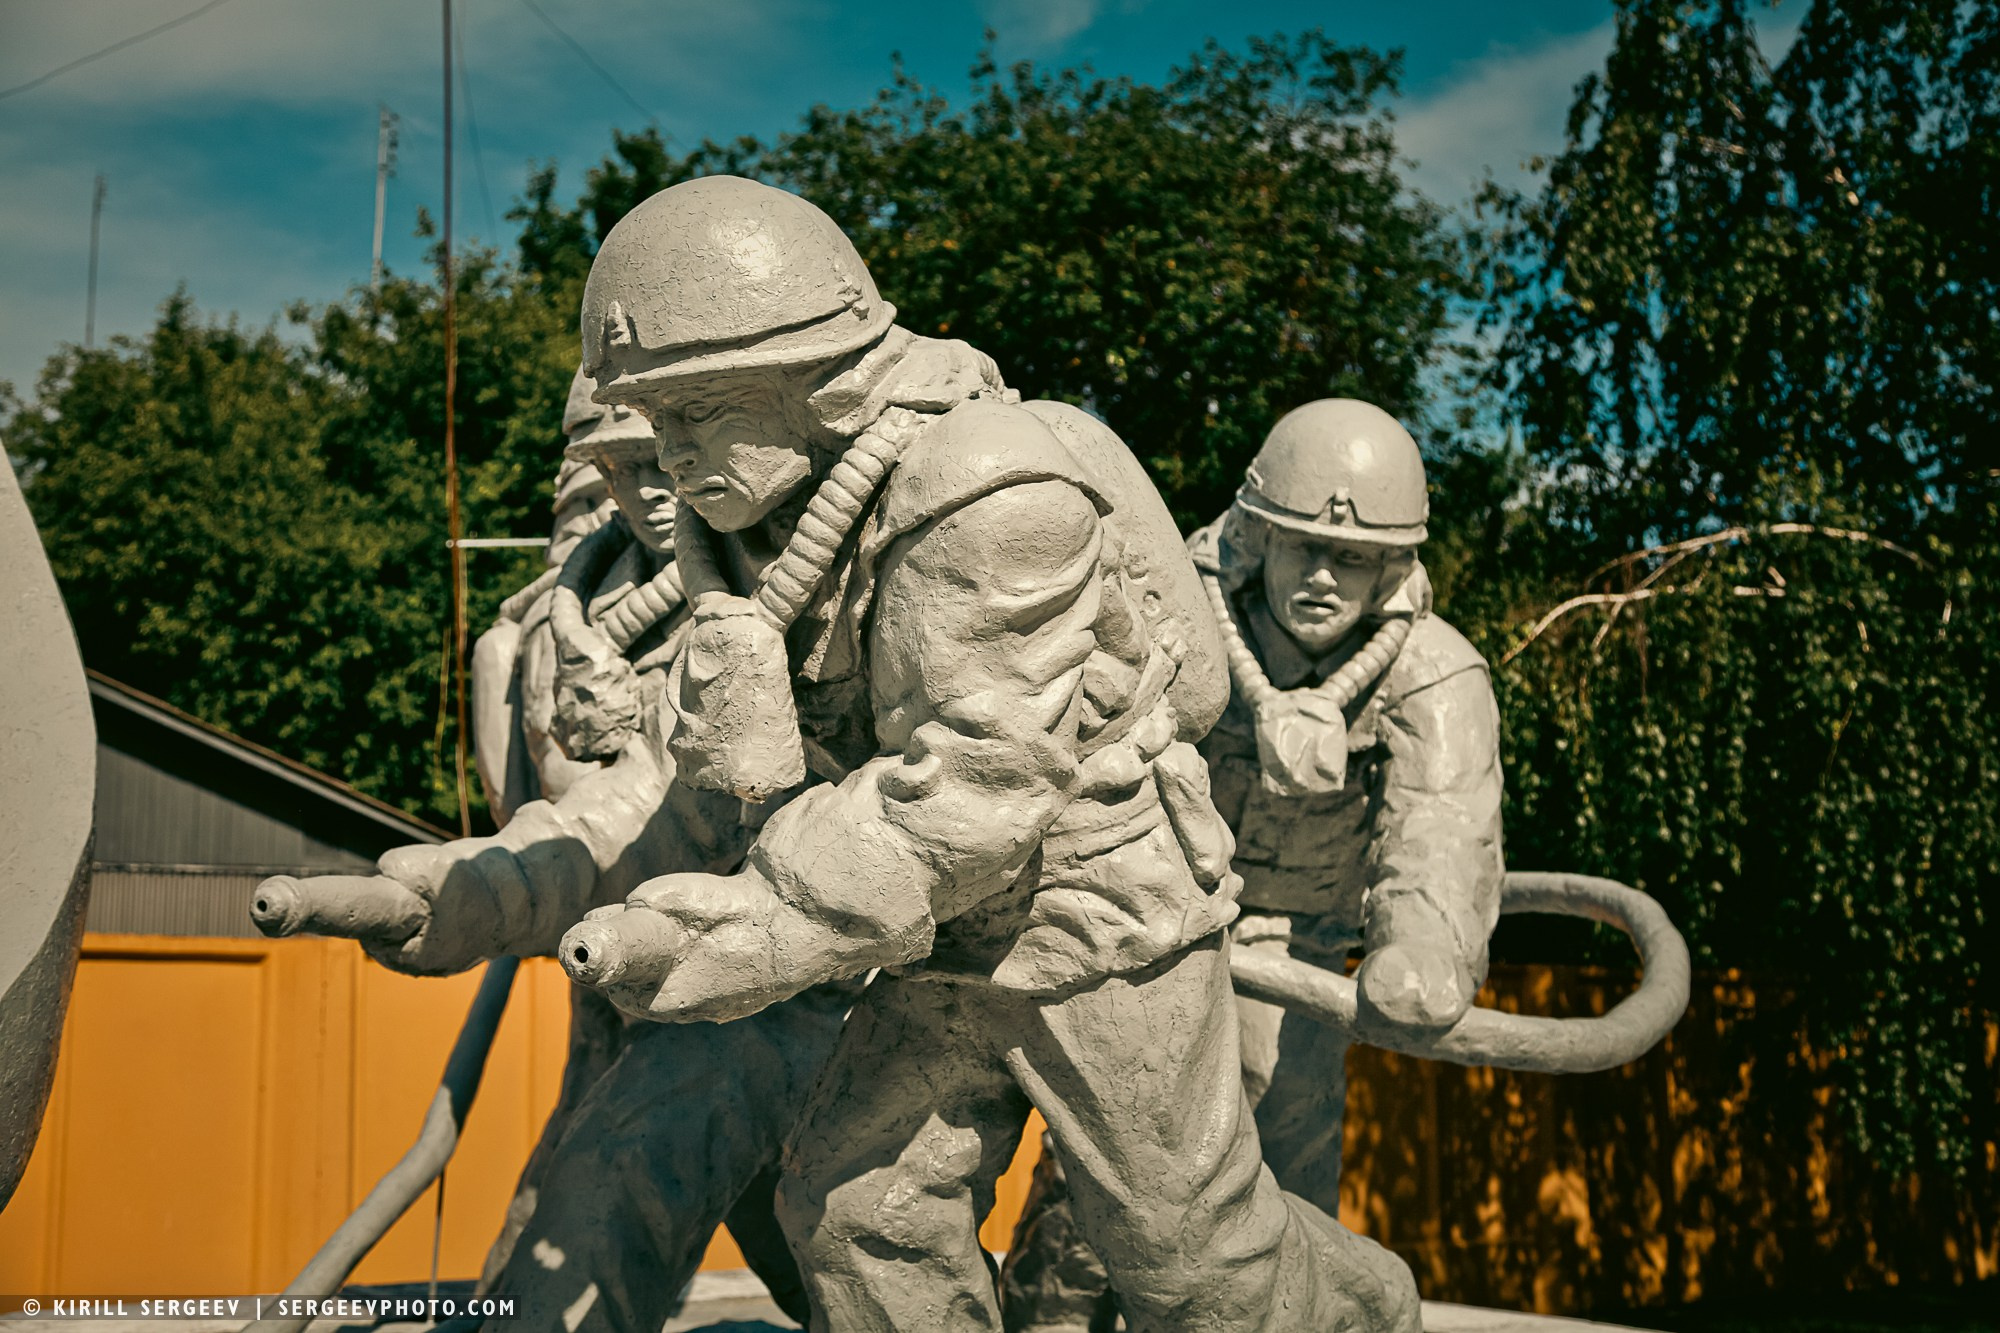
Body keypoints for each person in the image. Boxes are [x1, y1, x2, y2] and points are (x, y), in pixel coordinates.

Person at [549, 177, 1422, 1333]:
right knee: (860, 1208)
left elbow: (975, 783)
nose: (671, 455)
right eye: (656, 423)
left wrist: (754, 927)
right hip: (940, 932)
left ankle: (1361, 1307)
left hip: (1098, 916)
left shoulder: (989, 487)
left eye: (698, 411)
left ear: (811, 375)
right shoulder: (762, 527)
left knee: (1184, 1261)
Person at [999, 399, 1506, 1332]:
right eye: (1300, 546)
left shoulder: (1433, 674)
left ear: (1391, 565)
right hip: (1143, 938)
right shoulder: (1171, 620)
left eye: (1350, 557)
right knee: (1096, 1185)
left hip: (1302, 959)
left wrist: (1423, 951)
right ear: (1257, 538)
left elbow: (1442, 833)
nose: (1321, 576)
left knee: (1284, 1185)